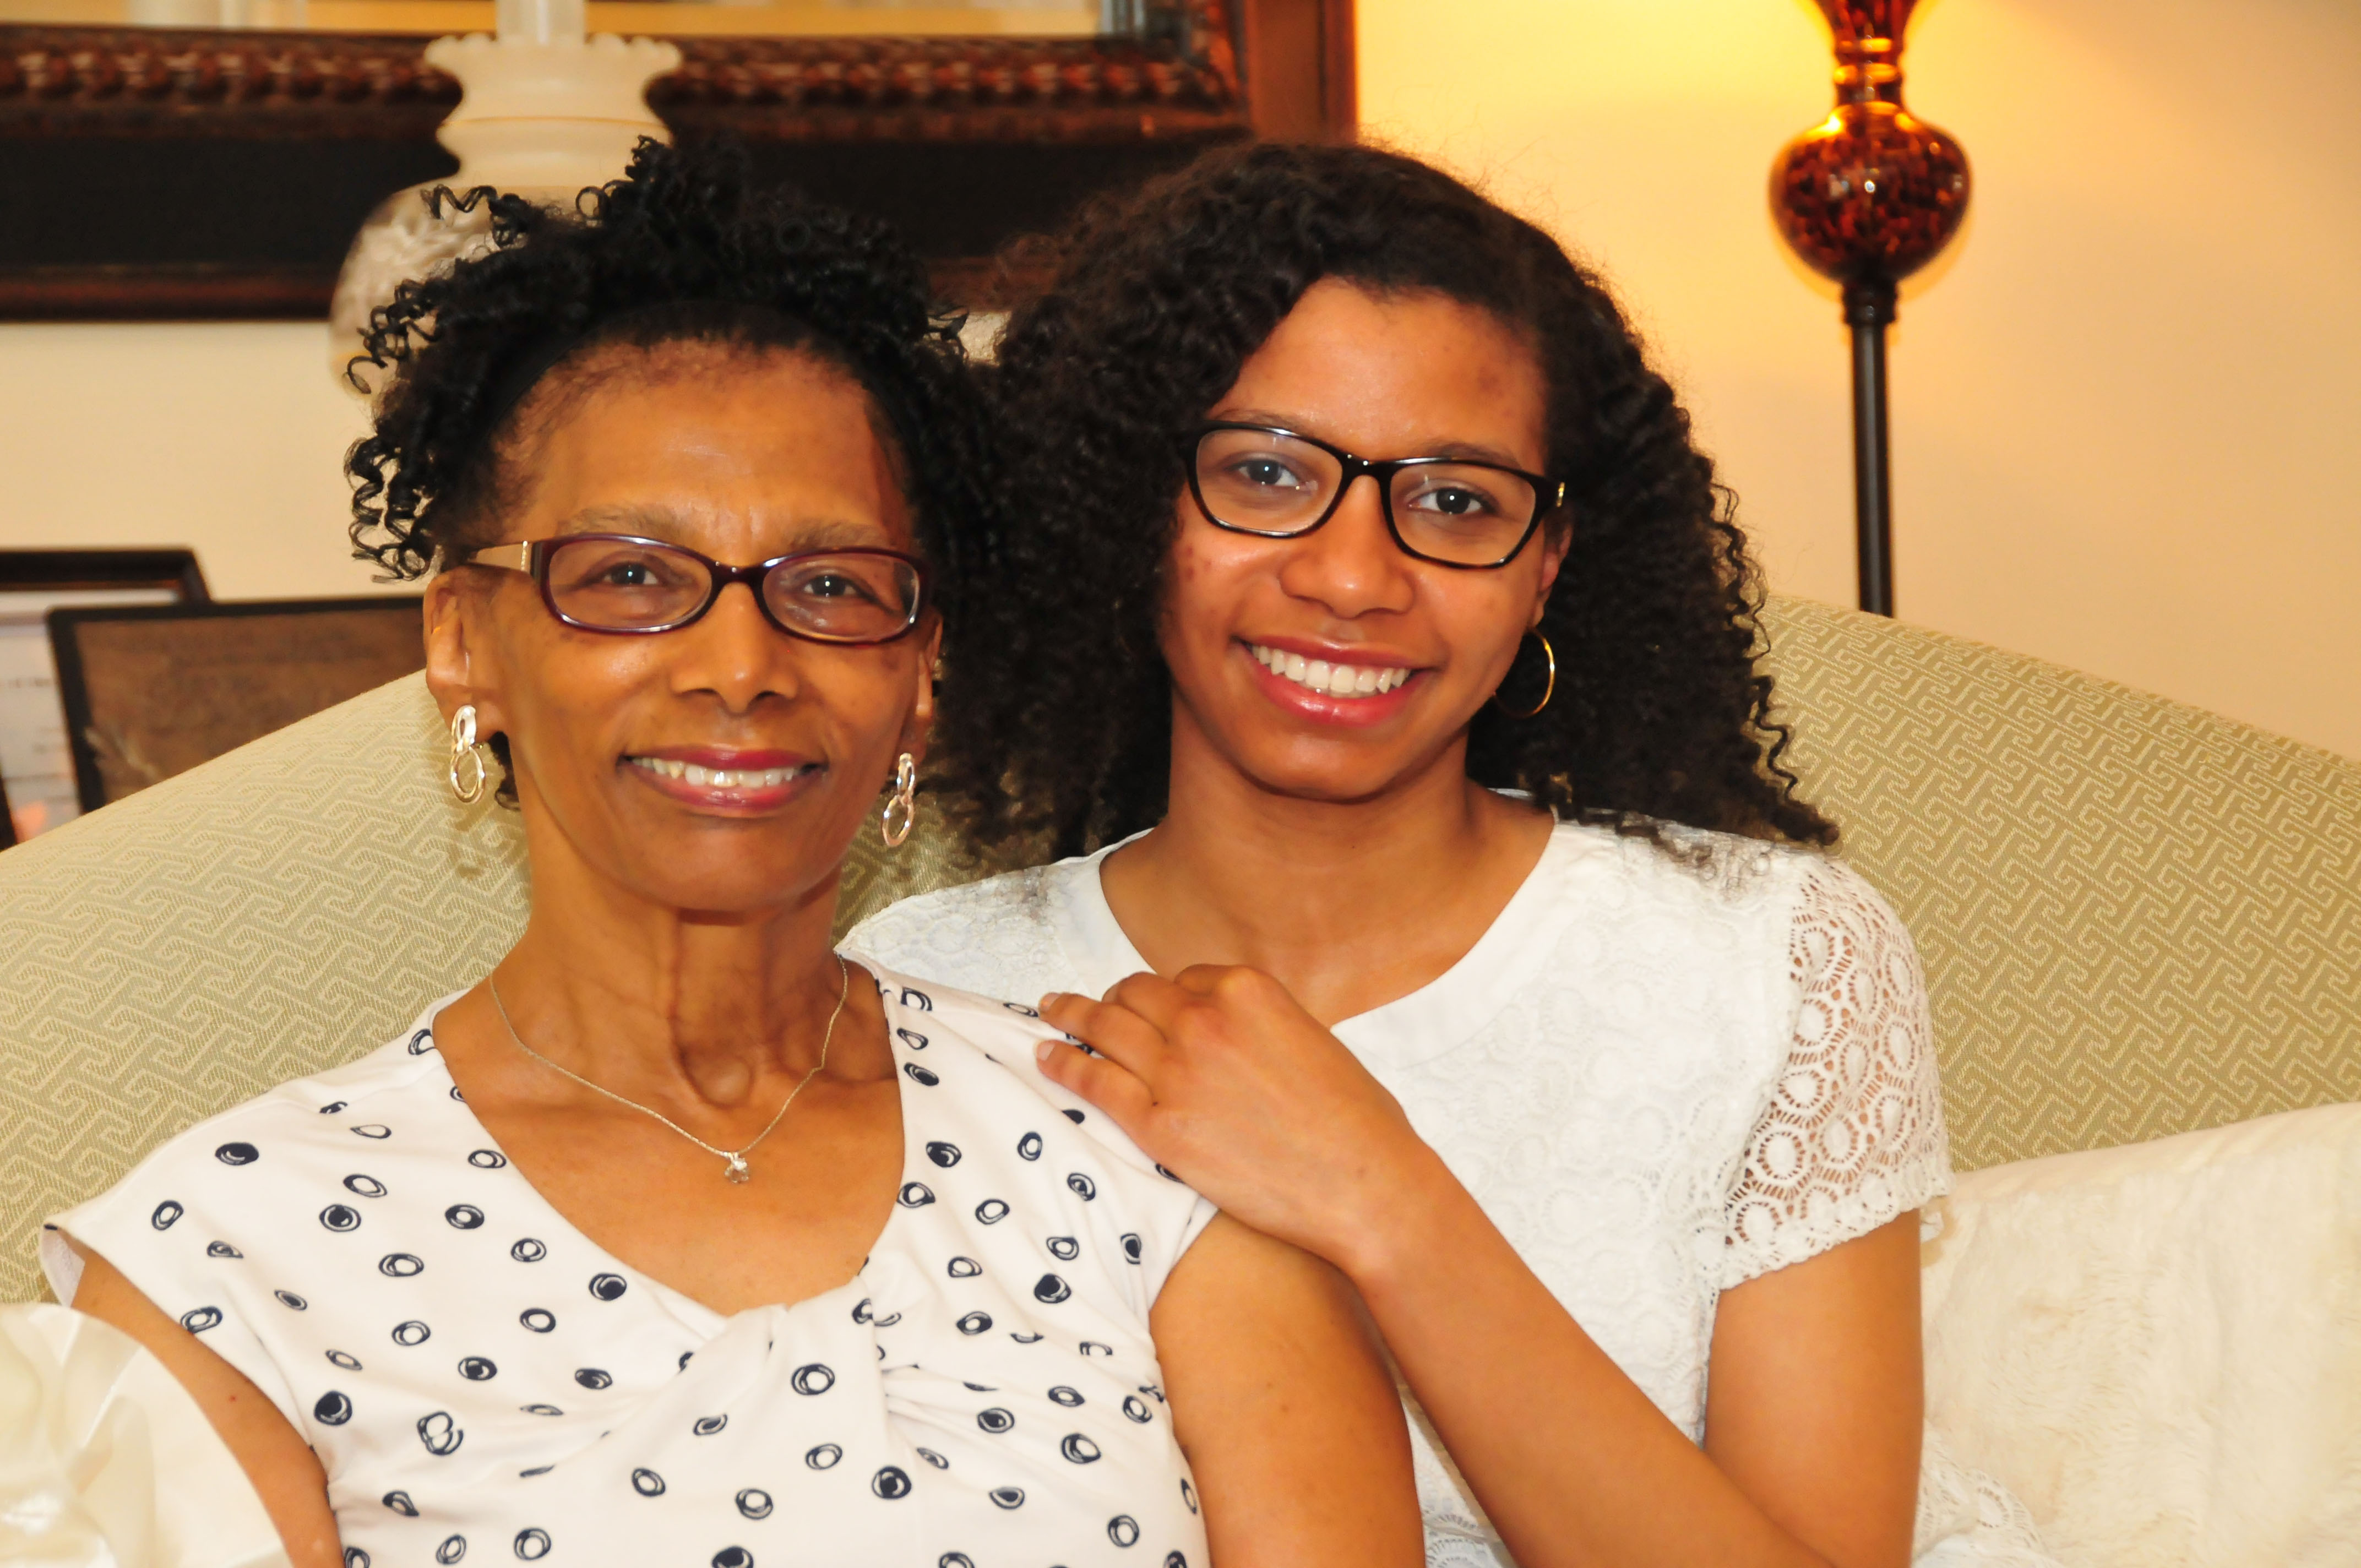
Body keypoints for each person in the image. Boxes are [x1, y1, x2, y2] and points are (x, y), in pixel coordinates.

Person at [40, 143, 1421, 1568]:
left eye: (830, 587)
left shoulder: (1150, 1165)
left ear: (922, 670)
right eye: (630, 578)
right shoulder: (227, 1267)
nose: (742, 665)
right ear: (464, 641)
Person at [848, 143, 2052, 1568]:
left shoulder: (1772, 963)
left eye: (1458, 501)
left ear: (1547, 566)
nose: (1354, 576)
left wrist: (1381, 1197)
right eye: (1268, 473)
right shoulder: (921, 989)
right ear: (1128, 507)